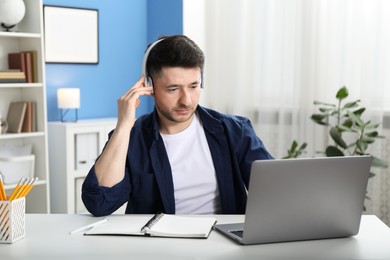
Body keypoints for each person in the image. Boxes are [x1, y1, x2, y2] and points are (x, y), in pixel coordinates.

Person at [82, 35, 273, 217]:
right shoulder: (133, 139)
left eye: (193, 86)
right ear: (149, 86)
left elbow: (276, 189)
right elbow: (99, 203)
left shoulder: (234, 131)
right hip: (161, 247)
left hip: (225, 245)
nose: (186, 100)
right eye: (173, 89)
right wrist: (124, 125)